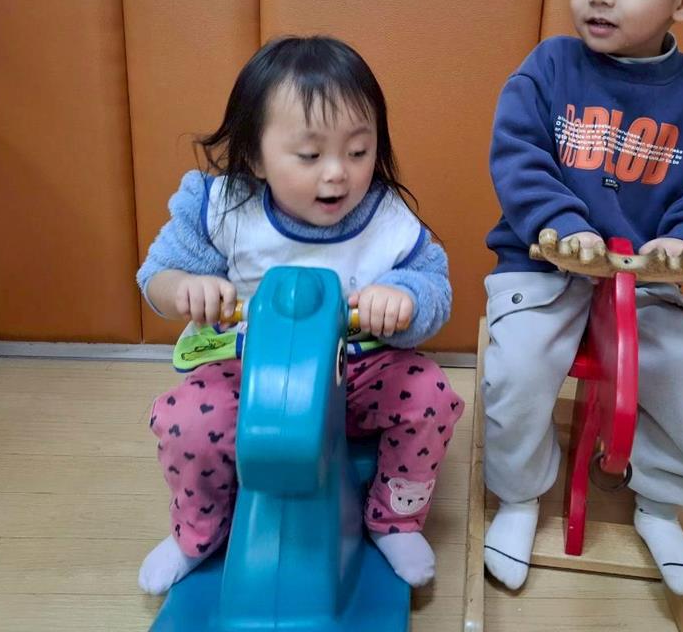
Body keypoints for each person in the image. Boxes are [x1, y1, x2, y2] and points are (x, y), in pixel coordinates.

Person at [482, 0, 683, 595]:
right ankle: (518, 496)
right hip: (545, 266)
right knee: (518, 369)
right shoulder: (548, 67)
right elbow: (519, 157)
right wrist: (562, 225)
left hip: (646, 279)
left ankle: (661, 503)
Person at [136, 35, 463, 594]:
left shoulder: (384, 219)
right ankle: (199, 531)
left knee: (430, 395)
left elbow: (435, 287)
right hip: (250, 373)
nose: (337, 174)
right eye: (310, 156)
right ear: (254, 156)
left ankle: (395, 518)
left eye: (358, 152)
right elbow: (157, 276)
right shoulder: (223, 208)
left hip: (357, 373)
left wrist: (404, 298)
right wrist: (185, 288)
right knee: (185, 420)